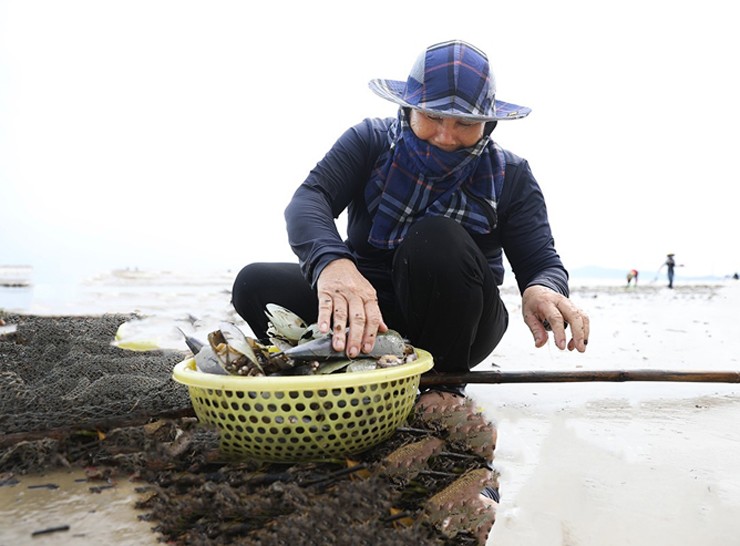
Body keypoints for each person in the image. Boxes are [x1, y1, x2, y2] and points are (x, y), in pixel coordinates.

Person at [231, 39, 590, 393]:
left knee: (435, 237)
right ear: (409, 108)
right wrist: (331, 263)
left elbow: (541, 261)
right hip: (368, 313)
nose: (446, 136)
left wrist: (542, 288)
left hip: (462, 324)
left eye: (465, 122)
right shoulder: (369, 141)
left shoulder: (511, 175)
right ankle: (333, 368)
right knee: (254, 283)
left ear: (488, 122)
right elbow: (310, 198)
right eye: (433, 116)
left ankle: (442, 388)